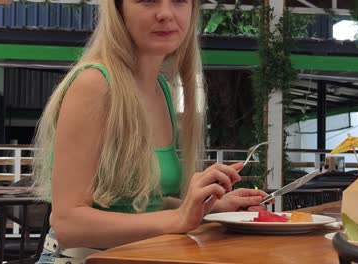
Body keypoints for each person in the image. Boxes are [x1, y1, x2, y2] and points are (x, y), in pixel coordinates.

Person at [32, 1, 268, 263]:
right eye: (148, 0)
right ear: (118, 9)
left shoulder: (161, 89)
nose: (166, 13)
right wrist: (178, 219)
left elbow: (140, 203)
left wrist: (204, 207)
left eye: (179, 1)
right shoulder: (94, 83)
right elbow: (69, 224)